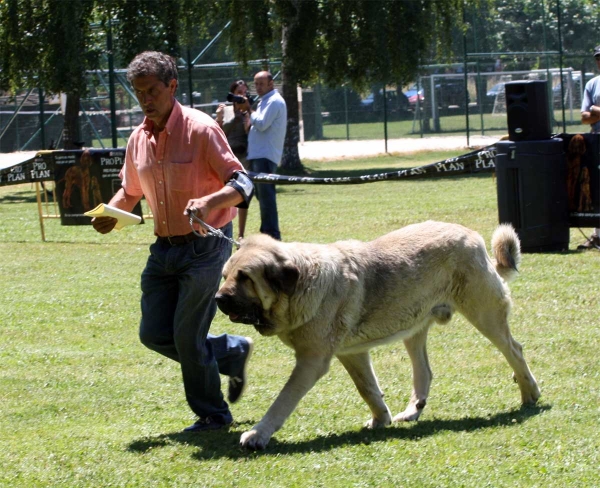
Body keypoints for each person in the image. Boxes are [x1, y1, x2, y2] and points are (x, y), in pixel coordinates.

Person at [91, 51, 255, 432]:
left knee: (187, 334)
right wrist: (110, 214)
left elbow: (243, 183)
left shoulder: (201, 130)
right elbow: (129, 192)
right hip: (163, 249)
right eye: (138, 93)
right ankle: (230, 351)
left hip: (205, 247)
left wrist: (210, 201)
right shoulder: (137, 138)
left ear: (172, 86)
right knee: (153, 334)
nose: (145, 99)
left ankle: (213, 414)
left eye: (151, 91)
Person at [239, 71, 287, 240]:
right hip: (258, 155)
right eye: (256, 84)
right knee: (262, 197)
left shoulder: (274, 101)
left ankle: (272, 236)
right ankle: (269, 233)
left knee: (266, 198)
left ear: (271, 84)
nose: (258, 87)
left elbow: (261, 124)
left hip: (265, 156)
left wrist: (248, 110)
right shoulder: (265, 101)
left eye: (261, 84)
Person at [216, 80, 251, 240]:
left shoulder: (249, 109)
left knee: (242, 195)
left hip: (244, 156)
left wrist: (247, 115)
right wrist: (232, 118)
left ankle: (241, 234)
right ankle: (222, 227)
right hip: (228, 156)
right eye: (238, 92)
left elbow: (251, 132)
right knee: (225, 193)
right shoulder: (226, 110)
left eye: (244, 91)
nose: (241, 95)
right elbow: (221, 132)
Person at [578, 45, 600, 250]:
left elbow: (592, 112)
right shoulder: (593, 84)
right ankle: (597, 235)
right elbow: (585, 117)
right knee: (596, 188)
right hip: (597, 140)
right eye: (598, 58)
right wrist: (592, 112)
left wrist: (597, 110)